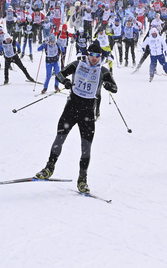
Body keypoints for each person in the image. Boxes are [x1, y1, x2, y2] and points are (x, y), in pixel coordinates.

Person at [35, 42, 118, 193]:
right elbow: (60, 74)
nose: (94, 59)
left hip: (87, 113)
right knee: (59, 139)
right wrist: (66, 81)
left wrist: (108, 86)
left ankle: (82, 180)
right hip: (71, 108)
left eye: (97, 56)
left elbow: (115, 88)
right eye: (92, 55)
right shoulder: (77, 64)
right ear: (88, 55)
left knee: (86, 148)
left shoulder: (103, 71)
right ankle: (49, 168)